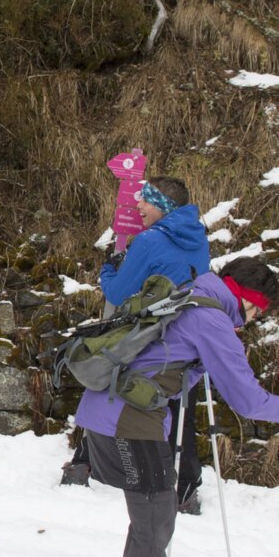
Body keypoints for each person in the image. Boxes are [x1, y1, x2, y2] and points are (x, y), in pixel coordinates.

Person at [74, 255, 279, 557]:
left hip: (113, 413)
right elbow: (246, 400)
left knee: (151, 521)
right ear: (248, 299)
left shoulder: (190, 295)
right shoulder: (211, 319)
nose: (254, 320)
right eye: (258, 312)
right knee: (155, 523)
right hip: (129, 422)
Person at [63, 175, 211, 503]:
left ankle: (83, 463)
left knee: (107, 385)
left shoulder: (149, 241)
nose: (138, 204)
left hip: (148, 338)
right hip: (189, 336)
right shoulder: (199, 239)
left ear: (162, 205)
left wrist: (109, 268)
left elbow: (118, 292)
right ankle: (187, 487)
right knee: (180, 404)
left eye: (145, 199)